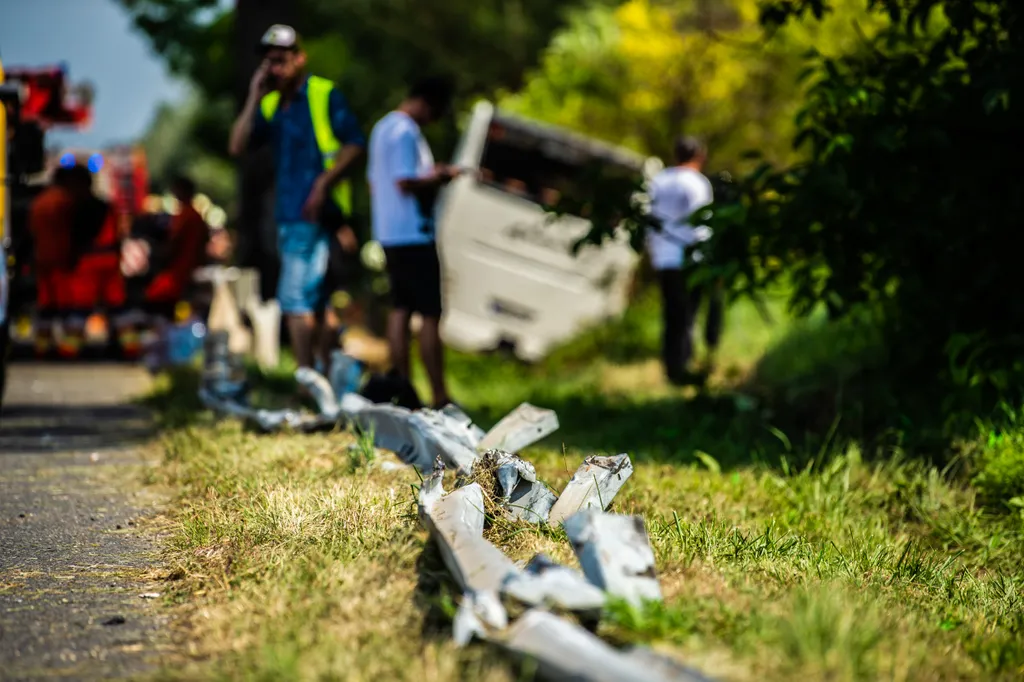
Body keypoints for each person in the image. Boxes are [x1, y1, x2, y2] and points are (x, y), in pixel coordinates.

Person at [228, 23, 365, 372]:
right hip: (288, 215)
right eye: (269, 61)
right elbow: (237, 145)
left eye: (281, 60)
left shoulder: (323, 94)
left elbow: (354, 144)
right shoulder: (272, 105)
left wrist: (323, 184)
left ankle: (307, 379)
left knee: (295, 299)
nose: (275, 68)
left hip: (323, 216)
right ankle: (323, 376)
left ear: (299, 58)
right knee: (316, 304)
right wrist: (253, 97)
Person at [367, 76, 458, 409]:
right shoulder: (406, 131)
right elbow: (405, 180)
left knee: (400, 309)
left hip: (389, 232)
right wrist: (441, 175)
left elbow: (376, 183)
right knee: (430, 314)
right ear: (424, 103)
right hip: (413, 233)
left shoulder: (382, 128)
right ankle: (439, 395)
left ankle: (403, 388)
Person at [645, 135, 722, 386]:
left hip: (664, 257)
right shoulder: (697, 183)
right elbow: (702, 221)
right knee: (688, 314)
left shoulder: (659, 180)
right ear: (699, 156)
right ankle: (683, 367)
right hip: (690, 257)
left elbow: (649, 220)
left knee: (671, 315)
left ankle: (671, 367)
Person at [27, 165, 76, 356]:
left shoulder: (39, 202)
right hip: (61, 260)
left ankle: (42, 348)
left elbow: (31, 230)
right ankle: (69, 350)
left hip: (42, 258)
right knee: (67, 307)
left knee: (45, 305)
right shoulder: (64, 201)